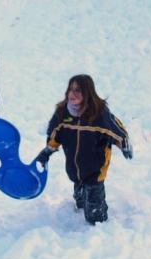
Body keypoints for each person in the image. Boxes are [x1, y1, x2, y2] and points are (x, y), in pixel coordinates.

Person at [35, 74, 133, 225]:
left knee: (94, 216)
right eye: (71, 89)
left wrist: (124, 143)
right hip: (75, 168)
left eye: (78, 90)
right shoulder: (62, 113)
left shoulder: (99, 115)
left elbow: (116, 129)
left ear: (87, 93)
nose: (72, 94)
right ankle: (81, 195)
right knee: (80, 201)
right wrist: (47, 151)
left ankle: (98, 213)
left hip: (95, 170)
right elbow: (54, 133)